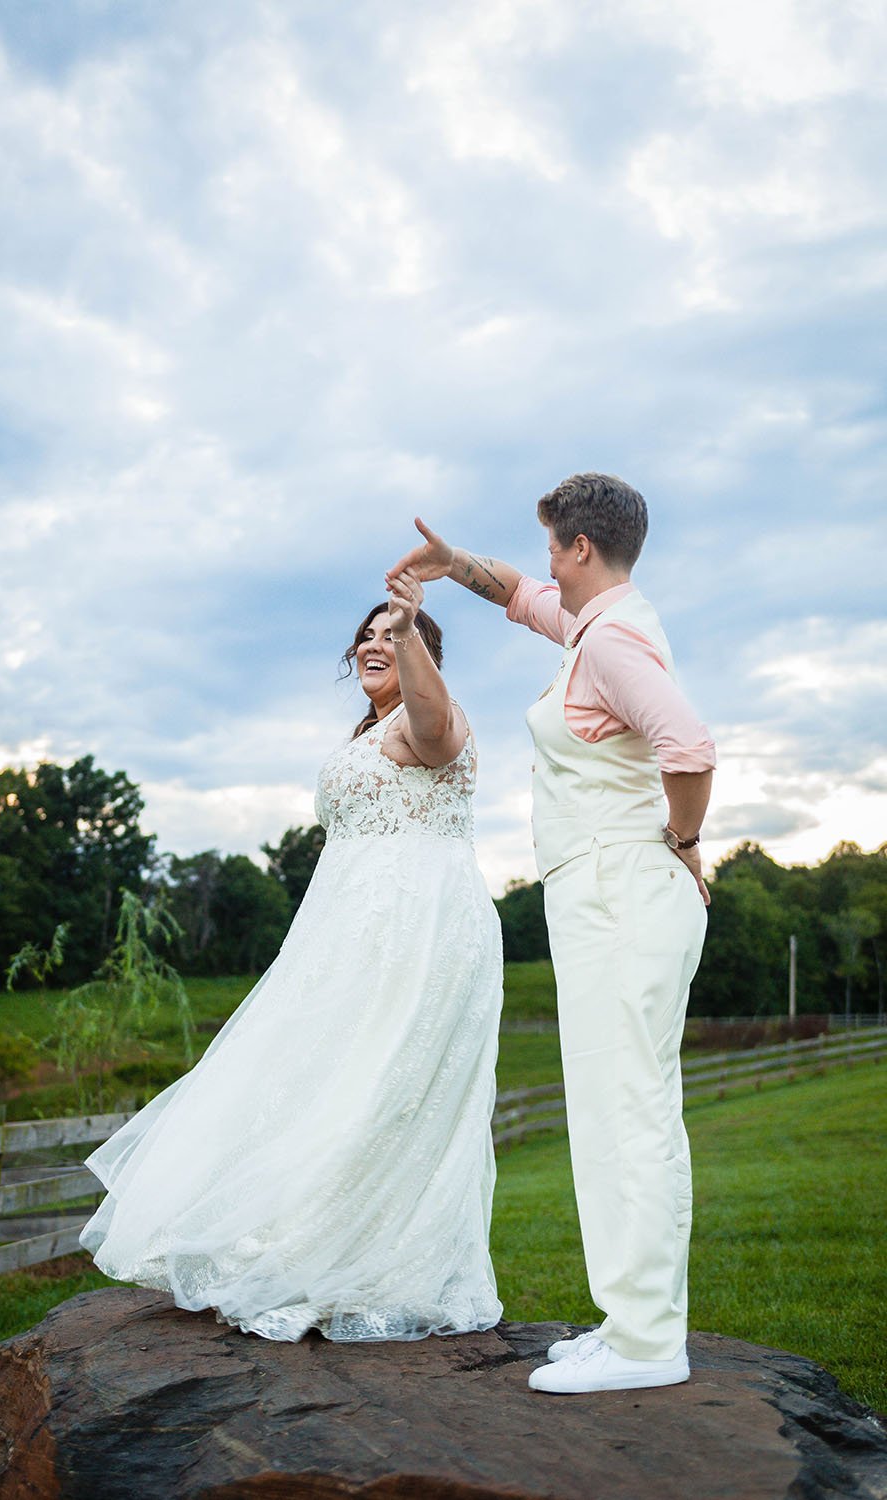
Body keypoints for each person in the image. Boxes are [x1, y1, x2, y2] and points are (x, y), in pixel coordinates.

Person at [78, 568, 504, 1343]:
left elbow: (439, 731)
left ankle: (368, 1263)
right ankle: (293, 1244)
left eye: (394, 634)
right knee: (320, 1077)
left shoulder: (426, 719)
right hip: (349, 927)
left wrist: (411, 633)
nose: (376, 643)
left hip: (420, 927)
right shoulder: (372, 733)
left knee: (387, 1086)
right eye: (369, 635)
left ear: (422, 653)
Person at [388, 472, 715, 1393]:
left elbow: (690, 747)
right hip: (604, 896)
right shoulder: (597, 626)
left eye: (551, 550)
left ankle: (648, 1343)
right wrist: (454, 566)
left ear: (580, 547)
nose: (544, 569)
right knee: (617, 1111)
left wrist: (683, 845)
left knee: (628, 1115)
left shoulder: (611, 643)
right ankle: (631, 1322)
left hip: (622, 891)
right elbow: (520, 598)